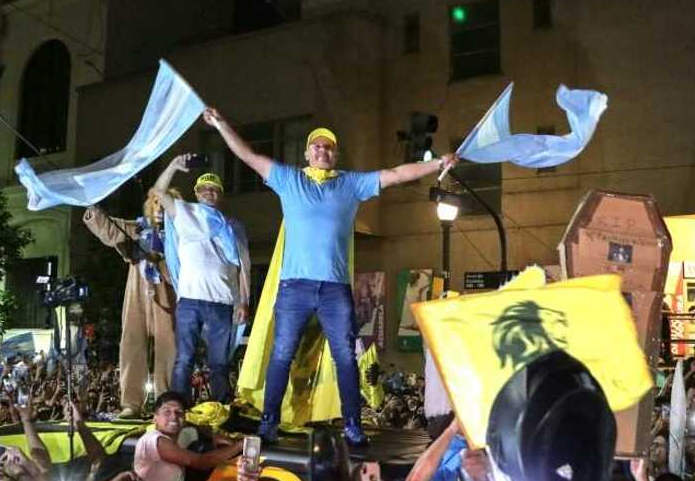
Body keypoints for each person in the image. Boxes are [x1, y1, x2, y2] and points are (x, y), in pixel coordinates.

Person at [203, 107, 457, 446]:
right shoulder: (289, 179)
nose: (323, 151)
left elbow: (396, 173)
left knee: (345, 357)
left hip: (335, 290)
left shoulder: (350, 184)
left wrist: (438, 163)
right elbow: (248, 156)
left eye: (329, 147)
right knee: (282, 354)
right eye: (317, 146)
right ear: (307, 152)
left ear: (335, 154)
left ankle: (353, 424)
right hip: (295, 287)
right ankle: (269, 423)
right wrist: (221, 123)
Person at [150, 155, 251, 405]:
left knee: (219, 362)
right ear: (196, 193)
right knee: (184, 358)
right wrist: (174, 166)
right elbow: (158, 191)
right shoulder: (184, 212)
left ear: (221, 195)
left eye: (214, 189)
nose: (209, 192)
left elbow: (241, 269)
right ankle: (177, 406)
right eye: (204, 188)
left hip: (222, 301)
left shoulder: (232, 227)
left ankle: (222, 408)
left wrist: (242, 302)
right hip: (190, 301)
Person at [83, 189, 178, 418]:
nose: (160, 208)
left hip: (168, 293)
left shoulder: (181, 235)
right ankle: (132, 404)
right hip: (137, 291)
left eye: (166, 203)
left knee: (169, 347)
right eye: (156, 203)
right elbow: (109, 229)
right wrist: (91, 208)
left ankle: (167, 402)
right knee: (132, 343)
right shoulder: (137, 228)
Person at [132, 391, 242, 481]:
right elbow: (201, 462)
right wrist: (240, 445)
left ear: (184, 418)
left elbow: (200, 428)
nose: (174, 417)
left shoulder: (182, 433)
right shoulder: (154, 440)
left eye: (179, 412)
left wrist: (214, 436)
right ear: (155, 418)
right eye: (167, 412)